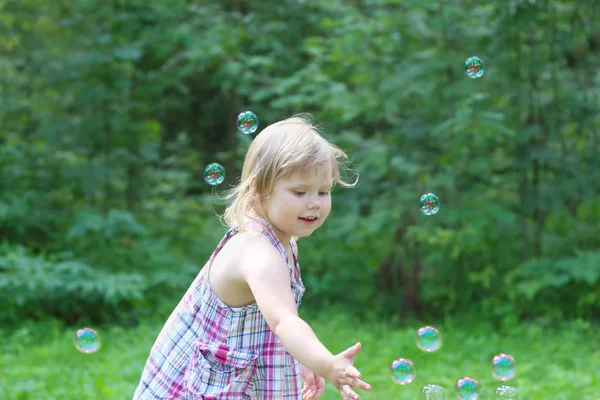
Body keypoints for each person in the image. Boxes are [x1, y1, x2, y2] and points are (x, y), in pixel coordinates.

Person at [133, 115, 370, 400]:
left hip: (237, 378)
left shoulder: (284, 244)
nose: (315, 202)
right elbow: (284, 322)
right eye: (299, 191)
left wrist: (302, 358)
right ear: (259, 189)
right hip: (199, 388)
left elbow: (274, 322)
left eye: (323, 191)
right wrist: (326, 363)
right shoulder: (257, 251)